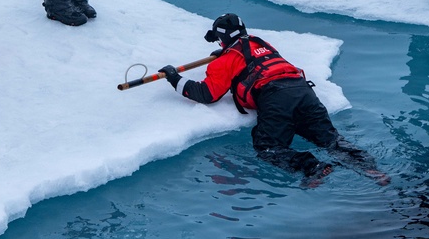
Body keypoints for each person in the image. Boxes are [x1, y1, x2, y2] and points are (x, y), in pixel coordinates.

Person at [159, 14, 389, 186]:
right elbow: (247, 56)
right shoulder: (261, 43)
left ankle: (313, 168)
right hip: (303, 91)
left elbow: (206, 94)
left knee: (268, 147)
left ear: (221, 40)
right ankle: (371, 170)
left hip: (274, 96)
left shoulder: (223, 61)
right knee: (331, 140)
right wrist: (227, 53)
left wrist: (174, 78)